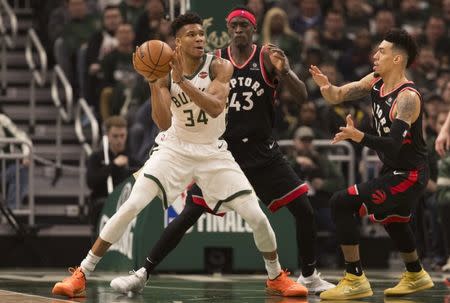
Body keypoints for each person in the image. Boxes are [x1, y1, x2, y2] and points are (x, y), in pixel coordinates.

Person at [52, 12, 307, 298]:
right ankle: (82, 273)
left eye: (201, 33)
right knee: (132, 205)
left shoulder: (219, 67)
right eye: (191, 34)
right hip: (174, 147)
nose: (199, 38)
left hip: (213, 150)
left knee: (257, 218)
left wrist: (182, 83)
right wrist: (153, 81)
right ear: (177, 42)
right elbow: (162, 122)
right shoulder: (164, 71)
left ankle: (275, 276)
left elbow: (213, 107)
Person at [110, 7, 334, 296]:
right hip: (224, 152)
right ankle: (142, 272)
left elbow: (303, 97)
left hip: (262, 151)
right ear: (228, 29)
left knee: (303, 208)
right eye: (234, 25)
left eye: (245, 25)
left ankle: (309, 276)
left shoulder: (267, 57)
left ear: (253, 29)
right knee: (189, 214)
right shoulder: (217, 62)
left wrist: (287, 71)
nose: (239, 29)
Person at [310, 28, 434, 300]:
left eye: (382, 51)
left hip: (410, 174)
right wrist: (325, 86)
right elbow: (338, 95)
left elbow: (392, 143)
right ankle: (416, 274)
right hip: (394, 169)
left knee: (341, 202)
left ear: (398, 60)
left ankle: (354, 278)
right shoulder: (375, 80)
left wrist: (358, 136)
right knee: (393, 219)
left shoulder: (407, 98)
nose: (375, 55)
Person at [86, 115, 140, 231]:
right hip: (102, 203)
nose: (119, 140)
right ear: (108, 137)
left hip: (125, 205)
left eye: (122, 136)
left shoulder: (132, 160)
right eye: (115, 136)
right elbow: (90, 182)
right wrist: (113, 166)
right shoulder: (96, 157)